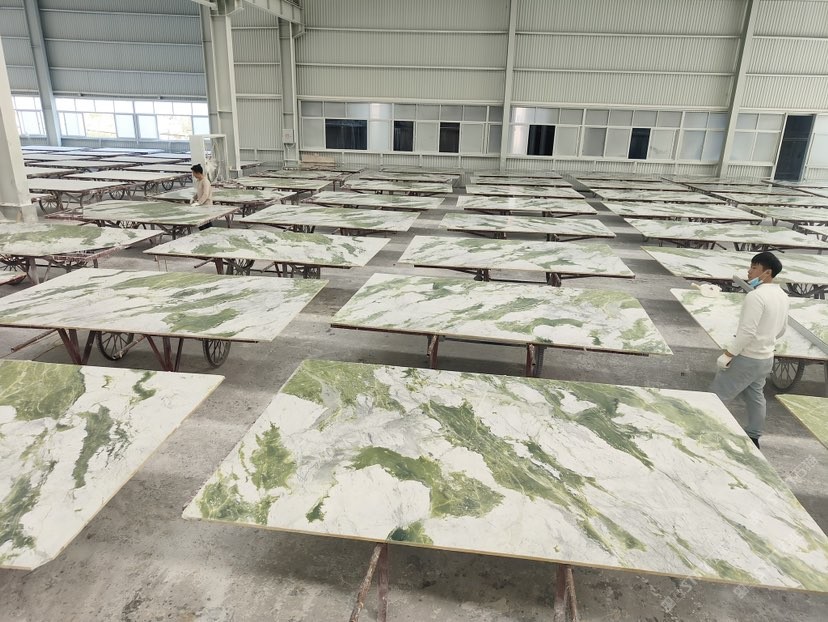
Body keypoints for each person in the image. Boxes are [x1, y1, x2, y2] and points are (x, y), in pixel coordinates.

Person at [710, 251, 789, 449]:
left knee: (715, 397)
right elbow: (782, 329)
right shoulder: (782, 295)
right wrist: (766, 339)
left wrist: (728, 354)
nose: (749, 271)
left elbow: (746, 333)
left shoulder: (756, 296)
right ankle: (754, 436)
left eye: (754, 268)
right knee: (755, 396)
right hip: (766, 359)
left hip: (747, 358)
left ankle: (703, 432)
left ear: (767, 272)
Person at [190, 164, 213, 230]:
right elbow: (199, 192)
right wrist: (193, 198)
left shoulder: (205, 181)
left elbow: (205, 194)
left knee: (207, 224)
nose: (193, 175)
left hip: (206, 206)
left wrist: (198, 203)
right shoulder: (199, 181)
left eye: (193, 173)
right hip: (201, 206)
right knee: (201, 223)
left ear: (198, 173)